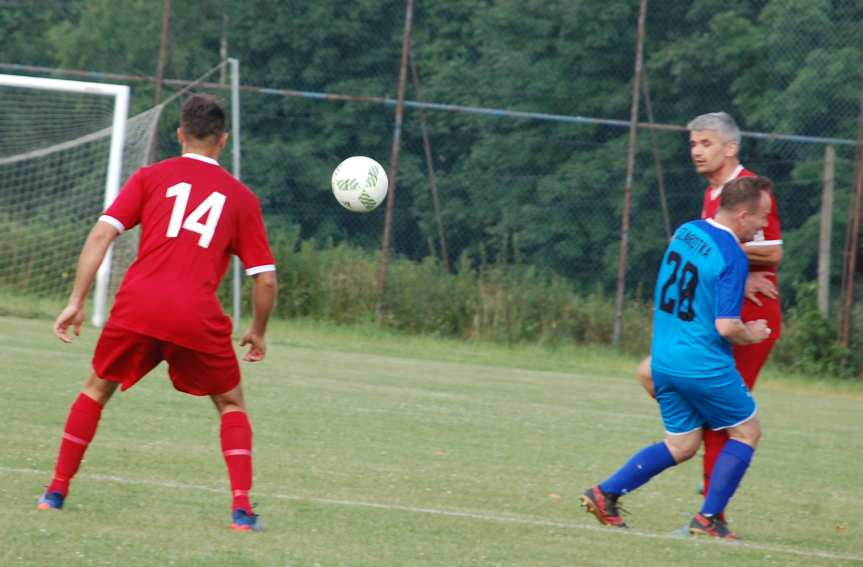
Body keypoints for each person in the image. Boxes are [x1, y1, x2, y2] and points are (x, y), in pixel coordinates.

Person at [37, 93, 277, 533]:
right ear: (223, 140)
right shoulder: (241, 198)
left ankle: (55, 492)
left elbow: (100, 235)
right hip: (196, 315)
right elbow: (265, 280)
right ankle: (242, 511)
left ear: (181, 134)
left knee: (95, 390)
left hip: (138, 307)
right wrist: (258, 332)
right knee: (230, 403)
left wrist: (76, 300)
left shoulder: (151, 177)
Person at [582, 176, 774, 539]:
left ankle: (604, 494)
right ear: (744, 214)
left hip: (664, 360)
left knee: (682, 445)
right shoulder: (732, 255)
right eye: (761, 217)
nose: (764, 225)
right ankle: (710, 518)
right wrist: (754, 333)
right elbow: (726, 326)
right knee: (747, 431)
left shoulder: (688, 232)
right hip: (702, 363)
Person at [636, 112, 782, 506]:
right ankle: (704, 497)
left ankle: (710, 513)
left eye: (706, 144)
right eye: (693, 144)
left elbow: (773, 250)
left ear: (730, 148)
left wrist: (734, 264)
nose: (697, 152)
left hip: (746, 315)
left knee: (728, 424)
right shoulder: (716, 191)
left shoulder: (747, 192)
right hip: (711, 318)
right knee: (651, 375)